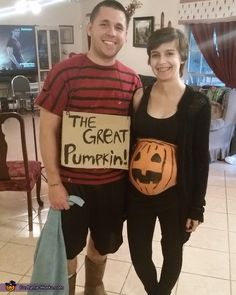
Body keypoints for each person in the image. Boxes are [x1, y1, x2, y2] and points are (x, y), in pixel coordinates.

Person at [35, 1, 141, 295]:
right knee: (68, 249)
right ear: (90, 27)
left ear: (126, 34)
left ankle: (94, 287)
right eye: (104, 24)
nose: (111, 32)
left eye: (119, 27)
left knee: (102, 245)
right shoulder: (64, 73)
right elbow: (47, 130)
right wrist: (53, 183)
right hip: (71, 186)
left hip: (113, 187)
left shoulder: (132, 80)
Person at [127, 27, 211, 295]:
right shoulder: (140, 96)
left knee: (171, 250)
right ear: (149, 59)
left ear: (182, 57)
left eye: (169, 53)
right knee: (139, 252)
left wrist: (197, 207)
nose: (161, 61)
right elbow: (129, 146)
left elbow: (200, 160)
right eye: (155, 55)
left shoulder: (197, 103)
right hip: (137, 193)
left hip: (176, 195)